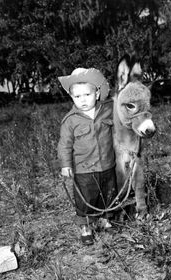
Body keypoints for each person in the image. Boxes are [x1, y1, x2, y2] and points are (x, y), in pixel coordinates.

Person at [57, 68, 117, 245]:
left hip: (107, 164)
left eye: (87, 94)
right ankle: (85, 227)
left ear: (97, 93)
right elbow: (64, 145)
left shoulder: (107, 110)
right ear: (71, 97)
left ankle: (106, 220)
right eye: (77, 96)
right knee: (86, 197)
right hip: (84, 168)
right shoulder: (71, 120)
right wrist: (66, 165)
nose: (83, 100)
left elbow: (120, 128)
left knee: (109, 193)